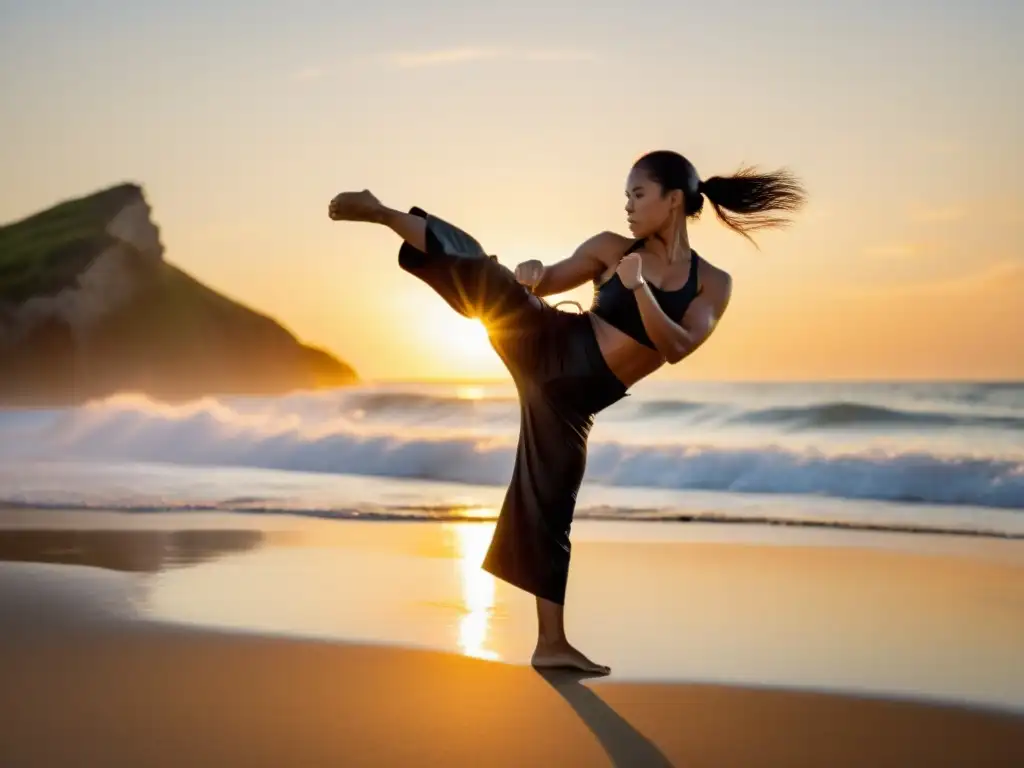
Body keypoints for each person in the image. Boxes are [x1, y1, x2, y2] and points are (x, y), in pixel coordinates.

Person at [328, 150, 806, 674]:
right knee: (486, 275)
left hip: (572, 401)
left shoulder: (713, 283)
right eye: (625, 195)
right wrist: (534, 272)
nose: (627, 206)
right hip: (549, 342)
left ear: (673, 201)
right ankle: (384, 214)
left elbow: (678, 345)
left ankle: (550, 644)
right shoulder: (609, 247)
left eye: (637, 194)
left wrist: (639, 289)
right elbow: (548, 278)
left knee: (552, 504)